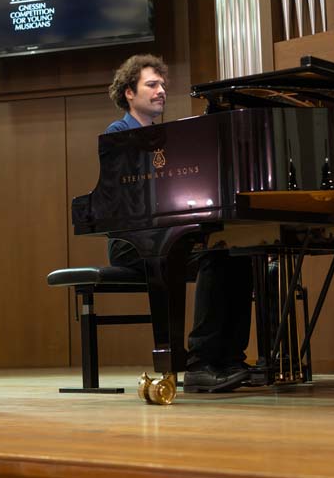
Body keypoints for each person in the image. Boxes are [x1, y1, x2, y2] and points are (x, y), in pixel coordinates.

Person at [105, 54, 254, 393]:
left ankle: (229, 358)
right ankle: (200, 363)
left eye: (162, 85)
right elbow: (123, 199)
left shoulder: (167, 138)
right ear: (129, 92)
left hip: (168, 234)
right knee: (214, 255)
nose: (161, 91)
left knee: (236, 252)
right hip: (131, 241)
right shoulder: (118, 134)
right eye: (151, 85)